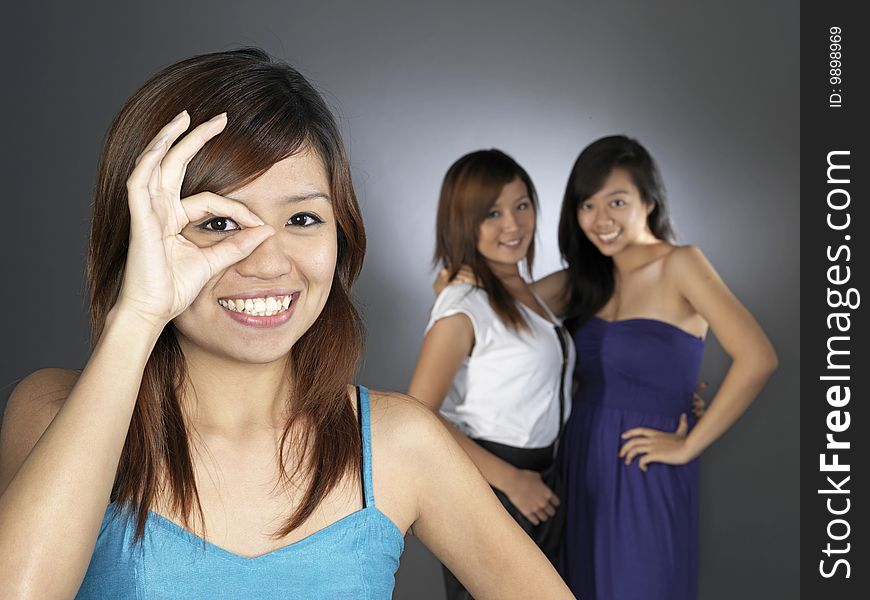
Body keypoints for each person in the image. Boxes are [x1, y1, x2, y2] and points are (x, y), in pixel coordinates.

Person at [0, 49, 573, 599]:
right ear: (141, 235)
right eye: (218, 222)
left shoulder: (400, 443)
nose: (269, 263)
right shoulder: (50, 411)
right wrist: (139, 314)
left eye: (302, 218)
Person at [527, 135, 777, 599]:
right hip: (580, 459)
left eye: (616, 202)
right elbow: (499, 311)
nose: (600, 220)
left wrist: (688, 447)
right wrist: (459, 277)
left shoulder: (680, 264)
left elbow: (758, 356)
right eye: (587, 205)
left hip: (643, 462)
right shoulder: (585, 279)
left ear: (649, 201)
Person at [408, 149, 575, 600]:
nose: (513, 225)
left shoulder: (524, 293)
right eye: (492, 213)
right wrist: (512, 481)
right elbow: (417, 415)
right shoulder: (464, 305)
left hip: (543, 477)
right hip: (494, 484)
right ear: (464, 222)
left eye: (522, 205)